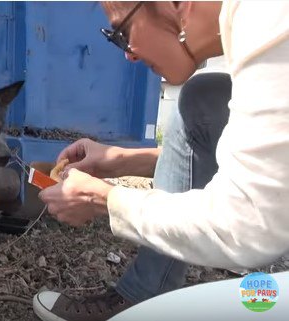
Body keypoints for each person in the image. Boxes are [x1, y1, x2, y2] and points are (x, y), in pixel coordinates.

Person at [32, 1, 289, 321]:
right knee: (203, 100)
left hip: (262, 229)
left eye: (122, 31)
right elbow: (266, 158)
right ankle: (145, 295)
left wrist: (104, 200)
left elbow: (247, 223)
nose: (129, 53)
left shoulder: (268, 15)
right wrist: (121, 160)